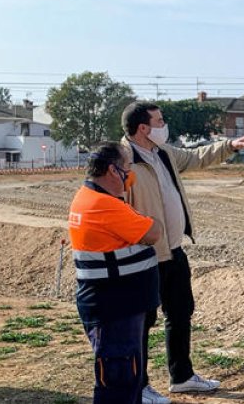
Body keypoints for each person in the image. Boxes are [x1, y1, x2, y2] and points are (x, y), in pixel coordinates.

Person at [120, 101, 244, 400]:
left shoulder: (163, 153)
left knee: (181, 313)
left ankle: (182, 376)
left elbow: (197, 157)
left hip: (173, 251)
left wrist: (232, 145)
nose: (164, 125)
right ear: (143, 128)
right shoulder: (123, 160)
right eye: (159, 121)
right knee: (142, 323)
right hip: (144, 255)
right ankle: (139, 386)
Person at [69, 142, 163, 404]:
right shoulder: (103, 205)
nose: (131, 174)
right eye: (128, 167)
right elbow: (153, 232)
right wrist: (144, 218)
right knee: (118, 382)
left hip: (113, 305)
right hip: (115, 308)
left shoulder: (91, 197)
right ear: (113, 170)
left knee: (123, 379)